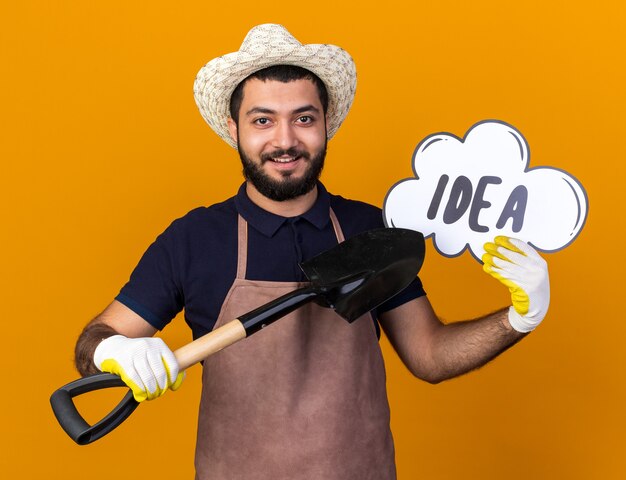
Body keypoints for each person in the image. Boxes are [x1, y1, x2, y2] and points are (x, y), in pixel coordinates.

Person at [74, 24, 550, 479]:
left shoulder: (368, 231)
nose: (285, 140)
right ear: (233, 127)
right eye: (263, 120)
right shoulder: (195, 239)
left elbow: (430, 357)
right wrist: (115, 350)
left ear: (326, 123)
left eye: (304, 118)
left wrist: (518, 318)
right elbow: (93, 342)